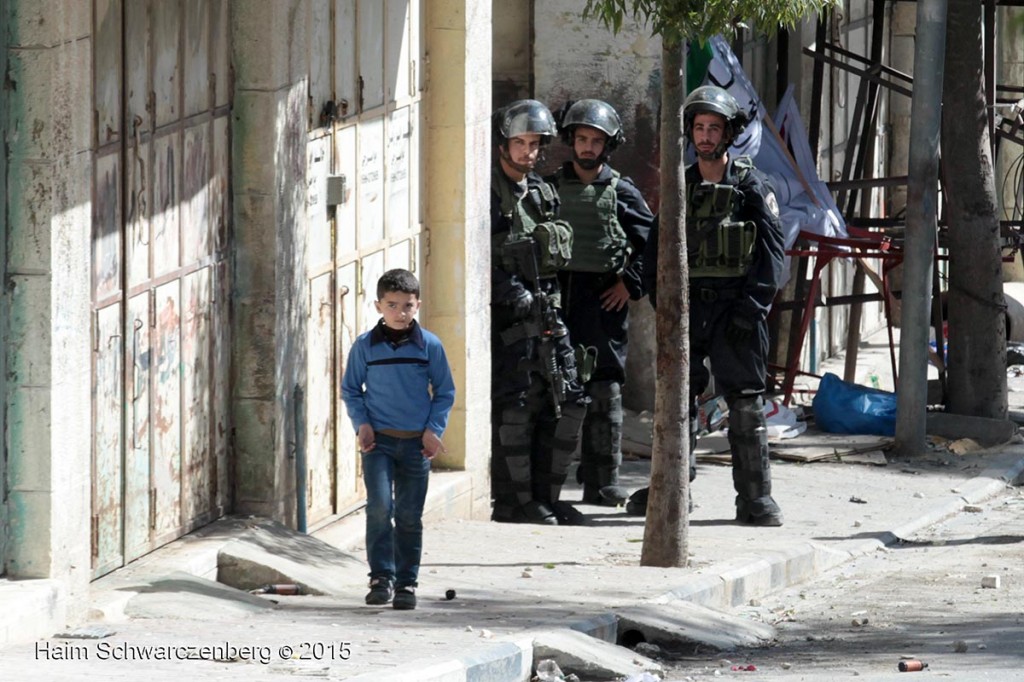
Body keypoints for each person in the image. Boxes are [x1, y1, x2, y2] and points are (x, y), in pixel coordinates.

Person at [631, 85, 786, 526]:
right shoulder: (680, 186)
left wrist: (751, 308)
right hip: (688, 310)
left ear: (728, 133)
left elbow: (772, 255)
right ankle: (673, 491)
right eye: (698, 127)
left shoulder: (752, 185)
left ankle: (755, 500)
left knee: (745, 404)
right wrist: (664, 306)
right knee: (677, 403)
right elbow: (657, 250)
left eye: (713, 128)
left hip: (738, 311)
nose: (704, 136)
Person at [548, 99, 654, 507]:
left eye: (595, 141)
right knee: (556, 386)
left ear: (608, 146)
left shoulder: (621, 192)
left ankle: (603, 480)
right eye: (581, 140)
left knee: (604, 388)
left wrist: (629, 283)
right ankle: (552, 480)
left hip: (602, 302)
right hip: (559, 297)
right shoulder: (550, 188)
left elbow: (653, 243)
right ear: (570, 142)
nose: (587, 148)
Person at [490, 99, 588, 526]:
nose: (527, 151)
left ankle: (548, 495)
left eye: (534, 143)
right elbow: (481, 258)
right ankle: (515, 501)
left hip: (548, 311)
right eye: (519, 142)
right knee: (518, 408)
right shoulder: (491, 194)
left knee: (565, 402)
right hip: (510, 319)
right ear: (503, 145)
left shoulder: (543, 192)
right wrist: (512, 293)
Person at [341, 268, 456, 609]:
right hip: (379, 444)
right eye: (392, 305)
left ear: (417, 305)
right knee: (379, 508)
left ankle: (406, 583)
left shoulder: (429, 346)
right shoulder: (365, 346)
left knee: (408, 515)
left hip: (416, 446)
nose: (400, 313)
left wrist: (433, 430)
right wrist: (361, 424)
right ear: (378, 306)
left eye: (407, 305)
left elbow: (445, 391)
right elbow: (351, 389)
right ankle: (381, 577)